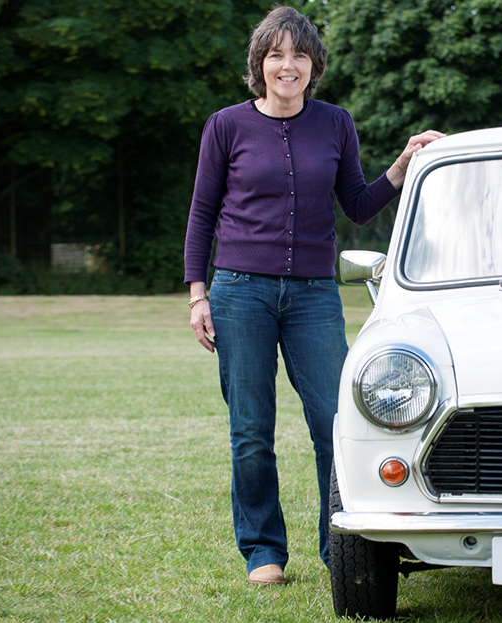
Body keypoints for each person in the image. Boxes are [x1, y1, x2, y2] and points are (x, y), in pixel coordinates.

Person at [182, 6, 443, 586]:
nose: (288, 65)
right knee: (251, 430)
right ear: (260, 63)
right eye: (276, 54)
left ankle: (339, 547)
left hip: (313, 298)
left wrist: (404, 162)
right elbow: (202, 213)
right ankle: (262, 551)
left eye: (299, 54)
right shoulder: (226, 126)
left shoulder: (335, 123)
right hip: (239, 293)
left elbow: (357, 203)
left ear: (313, 64)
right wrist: (198, 293)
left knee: (334, 421)